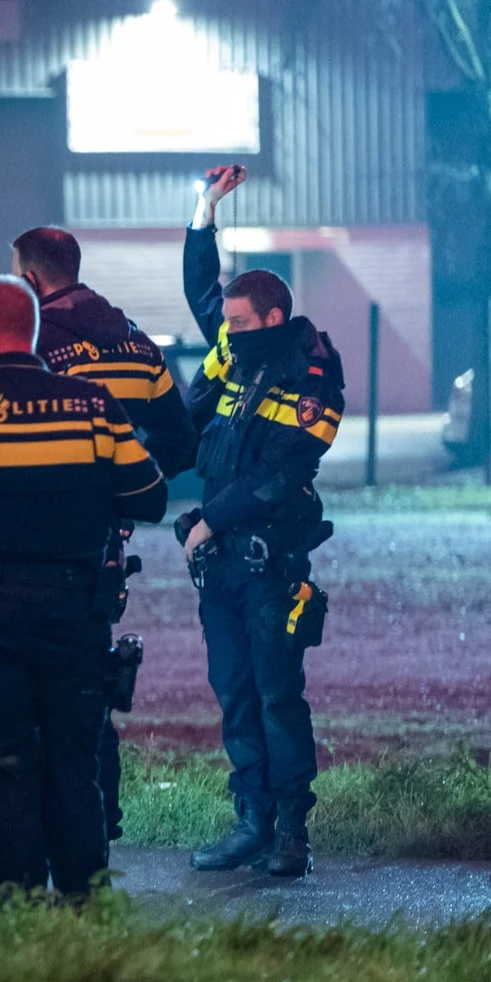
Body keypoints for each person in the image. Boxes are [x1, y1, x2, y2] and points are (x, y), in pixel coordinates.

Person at [0, 276, 167, 900]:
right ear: (35, 333)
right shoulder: (93, 405)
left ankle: (16, 902)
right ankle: (85, 902)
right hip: (76, 616)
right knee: (75, 766)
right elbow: (149, 496)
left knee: (4, 768)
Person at [181, 166, 343, 878]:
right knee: (234, 692)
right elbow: (201, 290)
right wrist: (204, 209)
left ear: (272, 320)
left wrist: (208, 519)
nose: (226, 330)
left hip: (269, 566)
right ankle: (251, 819)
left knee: (278, 695)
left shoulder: (311, 380)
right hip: (220, 568)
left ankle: (291, 832)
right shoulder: (237, 355)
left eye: (239, 323)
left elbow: (279, 475)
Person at [13, 225, 198, 845]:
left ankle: (31, 833)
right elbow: (178, 442)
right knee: (87, 684)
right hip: (102, 552)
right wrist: (123, 493)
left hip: (34, 545)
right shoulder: (140, 349)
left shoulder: (33, 346)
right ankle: (101, 823)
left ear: (32, 279)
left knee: (23, 693)